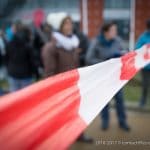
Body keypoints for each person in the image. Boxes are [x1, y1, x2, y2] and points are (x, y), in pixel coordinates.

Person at [42, 16, 93, 143]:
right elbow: (49, 74)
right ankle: (61, 140)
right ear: (58, 27)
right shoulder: (51, 47)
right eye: (66, 24)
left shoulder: (72, 44)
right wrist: (55, 92)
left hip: (74, 86)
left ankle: (78, 135)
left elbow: (74, 66)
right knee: (60, 116)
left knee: (76, 112)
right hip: (60, 90)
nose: (70, 26)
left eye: (70, 24)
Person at [86, 22, 130, 131]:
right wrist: (106, 62)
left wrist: (123, 54)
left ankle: (122, 121)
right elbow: (88, 58)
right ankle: (105, 121)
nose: (115, 32)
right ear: (106, 32)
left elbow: (125, 52)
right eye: (113, 30)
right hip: (103, 78)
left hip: (116, 77)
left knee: (119, 100)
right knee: (104, 101)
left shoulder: (118, 41)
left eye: (115, 30)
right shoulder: (96, 42)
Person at [6, 26, 39, 92]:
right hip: (25, 75)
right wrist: (36, 73)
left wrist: (9, 68)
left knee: (14, 97)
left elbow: (7, 58)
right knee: (27, 96)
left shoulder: (10, 43)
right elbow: (33, 61)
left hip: (13, 73)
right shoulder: (28, 46)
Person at [136, 19, 150, 107]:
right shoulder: (143, 37)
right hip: (146, 67)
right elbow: (137, 50)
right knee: (145, 85)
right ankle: (143, 101)